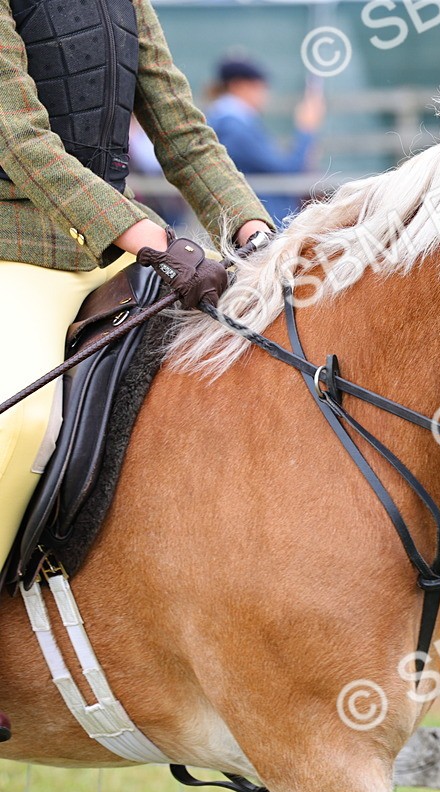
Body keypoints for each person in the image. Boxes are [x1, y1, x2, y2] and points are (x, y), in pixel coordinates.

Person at [0, 0, 273, 740]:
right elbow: (18, 135)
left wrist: (249, 223)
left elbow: (181, 128)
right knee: (18, 422)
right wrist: (139, 227)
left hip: (109, 257)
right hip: (13, 250)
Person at [206, 57, 325, 227]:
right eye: (258, 87)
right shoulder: (234, 127)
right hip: (266, 222)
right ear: (238, 86)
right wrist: (306, 130)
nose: (264, 95)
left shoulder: (233, 122)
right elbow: (288, 171)